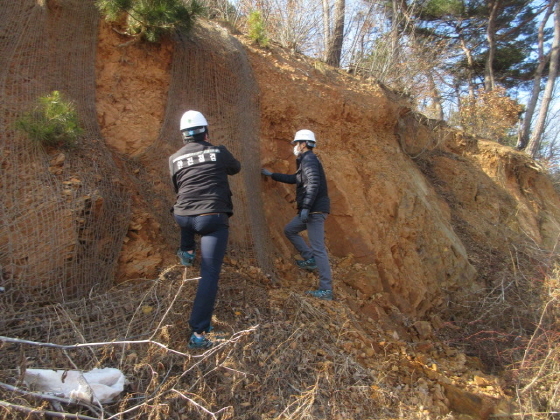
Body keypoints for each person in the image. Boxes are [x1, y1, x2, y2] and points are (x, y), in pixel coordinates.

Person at [169, 110, 241, 348]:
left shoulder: (174, 158)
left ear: (183, 136)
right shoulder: (217, 152)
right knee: (209, 273)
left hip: (183, 217)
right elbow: (236, 168)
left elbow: (179, 187)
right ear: (206, 133)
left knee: (187, 208)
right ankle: (199, 333)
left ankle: (187, 252)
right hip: (211, 219)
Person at [261, 129, 333, 300]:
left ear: (304, 144)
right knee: (290, 230)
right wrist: (273, 175)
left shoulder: (309, 160)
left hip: (314, 211)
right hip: (311, 209)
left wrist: (307, 207)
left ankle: (326, 290)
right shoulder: (305, 161)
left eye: (296, 143)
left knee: (319, 249)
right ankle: (310, 259)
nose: (294, 147)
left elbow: (314, 183)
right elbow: (296, 179)